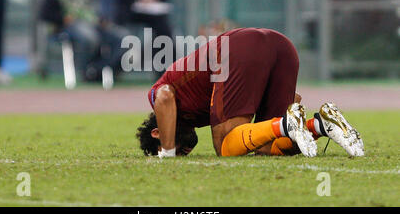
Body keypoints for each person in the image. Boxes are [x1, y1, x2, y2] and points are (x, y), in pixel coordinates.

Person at [136, 28, 365, 158]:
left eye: (179, 150)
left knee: (225, 145)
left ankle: (288, 125)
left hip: (237, 49)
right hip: (281, 46)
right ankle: (321, 124)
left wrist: (166, 153)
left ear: (158, 133)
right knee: (267, 146)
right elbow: (294, 99)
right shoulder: (195, 111)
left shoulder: (161, 96)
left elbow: (164, 96)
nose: (184, 152)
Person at [39, 0, 127, 84]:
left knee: (123, 38)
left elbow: (90, 13)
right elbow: (45, 15)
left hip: (91, 25)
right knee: (90, 38)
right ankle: (87, 71)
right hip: (66, 28)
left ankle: (98, 68)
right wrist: (63, 19)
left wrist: (101, 21)